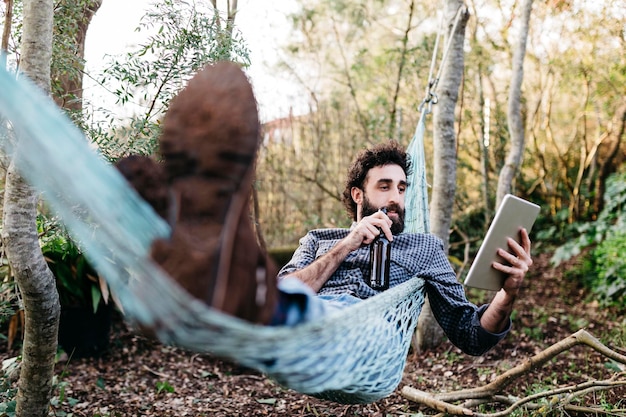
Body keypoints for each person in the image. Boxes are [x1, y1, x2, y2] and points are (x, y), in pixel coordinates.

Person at [116, 61, 532, 357]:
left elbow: (469, 334)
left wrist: (506, 297)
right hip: (303, 326)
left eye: (402, 188)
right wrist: (346, 245)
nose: (395, 198)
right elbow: (284, 293)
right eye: (384, 186)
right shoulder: (320, 240)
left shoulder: (423, 248)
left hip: (362, 340)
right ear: (357, 196)